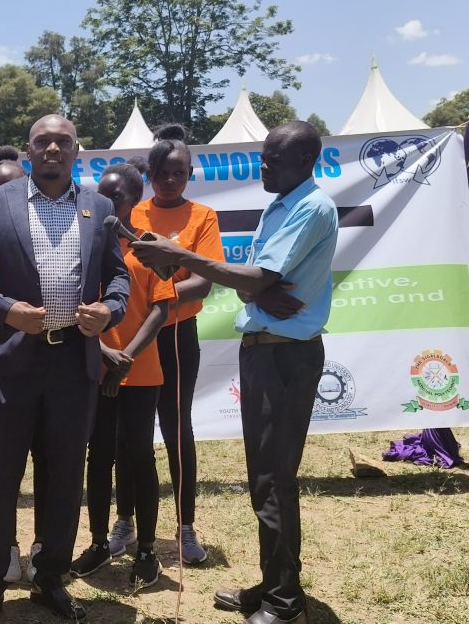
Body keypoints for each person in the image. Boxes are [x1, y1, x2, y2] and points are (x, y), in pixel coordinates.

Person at [132, 121, 337, 624]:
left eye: (273, 160)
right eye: (263, 157)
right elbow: (249, 285)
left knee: (275, 480)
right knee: (263, 478)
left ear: (305, 162)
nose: (262, 166)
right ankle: (272, 584)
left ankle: (285, 602)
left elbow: (255, 278)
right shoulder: (280, 204)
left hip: (286, 356)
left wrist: (182, 256)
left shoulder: (312, 208)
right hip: (264, 352)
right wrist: (257, 286)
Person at [0, 114, 130, 624]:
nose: (52, 149)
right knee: (1, 476)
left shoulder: (99, 208)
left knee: (64, 477)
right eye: (42, 142)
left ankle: (50, 577)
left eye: (62, 141)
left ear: (78, 150)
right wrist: (4, 309)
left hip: (75, 362)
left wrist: (110, 311)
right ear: (29, 150)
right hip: (14, 362)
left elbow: (119, 278)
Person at [109, 126, 221, 565]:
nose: (171, 180)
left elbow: (204, 281)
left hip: (175, 338)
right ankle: (124, 522)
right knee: (128, 436)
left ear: (190, 173)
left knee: (176, 431)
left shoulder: (203, 216)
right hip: (131, 340)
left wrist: (159, 297)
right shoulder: (133, 212)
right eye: (162, 173)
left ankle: (185, 526)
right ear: (150, 175)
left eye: (179, 172)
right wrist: (152, 296)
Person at [69, 160, 177, 587]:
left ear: (135, 199)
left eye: (117, 196)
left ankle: (146, 550)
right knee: (98, 458)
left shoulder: (148, 249)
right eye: (103, 195)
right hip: (97, 370)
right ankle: (99, 542)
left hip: (141, 371)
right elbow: (72, 309)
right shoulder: (88, 248)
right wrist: (105, 355)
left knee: (140, 458)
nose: (108, 203)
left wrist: (126, 356)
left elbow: (160, 309)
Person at [0, 146, 46, 585]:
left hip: (48, 362)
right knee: (1, 463)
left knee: (49, 460)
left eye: (15, 186)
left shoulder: (47, 232)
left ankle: (43, 547)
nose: (7, 195)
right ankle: (5, 547)